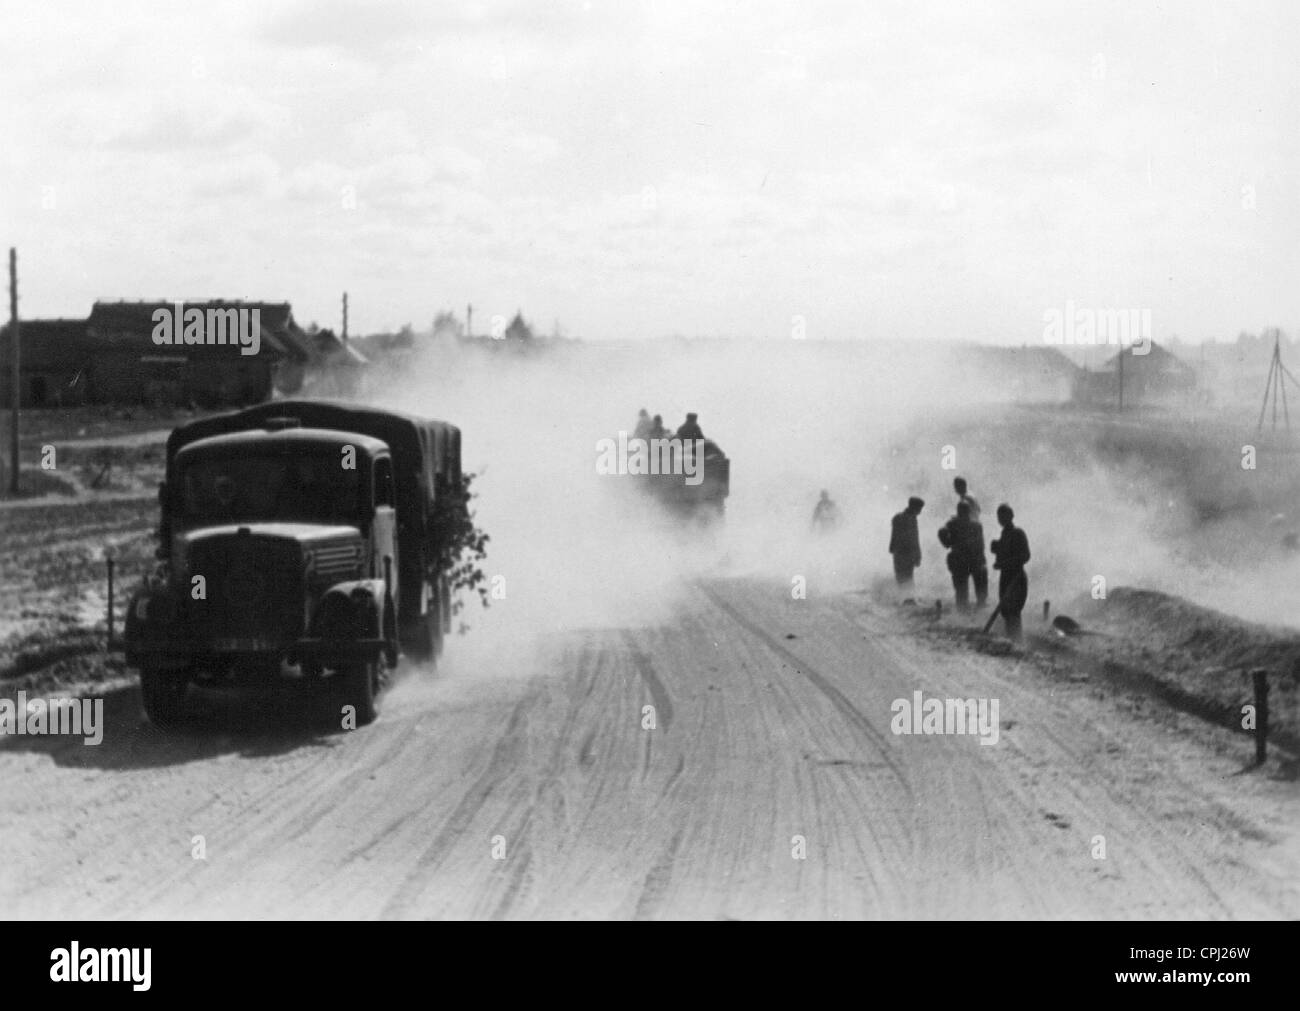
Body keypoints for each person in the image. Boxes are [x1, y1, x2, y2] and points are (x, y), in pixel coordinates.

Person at [990, 503, 1030, 639]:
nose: (1001, 519)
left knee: (1013, 612)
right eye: (999, 516)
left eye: (1004, 515)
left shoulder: (1018, 533)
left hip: (1016, 578)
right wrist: (997, 551)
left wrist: (1004, 563)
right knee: (1006, 612)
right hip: (1006, 577)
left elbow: (1025, 556)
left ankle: (1016, 642)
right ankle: (1012, 641)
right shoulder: (1004, 535)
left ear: (1011, 516)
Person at [939, 501, 987, 610]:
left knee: (969, 590)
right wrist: (947, 542)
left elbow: (980, 544)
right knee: (965, 591)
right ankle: (969, 611)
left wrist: (947, 542)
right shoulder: (973, 524)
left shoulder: (956, 524)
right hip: (965, 560)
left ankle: (971, 610)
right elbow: (942, 532)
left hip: (966, 560)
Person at [889, 496, 924, 588]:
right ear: (914, 508)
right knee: (908, 577)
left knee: (900, 577)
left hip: (898, 552)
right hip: (908, 553)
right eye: (920, 509)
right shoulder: (911, 519)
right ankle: (907, 598)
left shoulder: (897, 517)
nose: (920, 511)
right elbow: (914, 539)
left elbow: (893, 535)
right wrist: (918, 555)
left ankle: (904, 597)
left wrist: (892, 548)